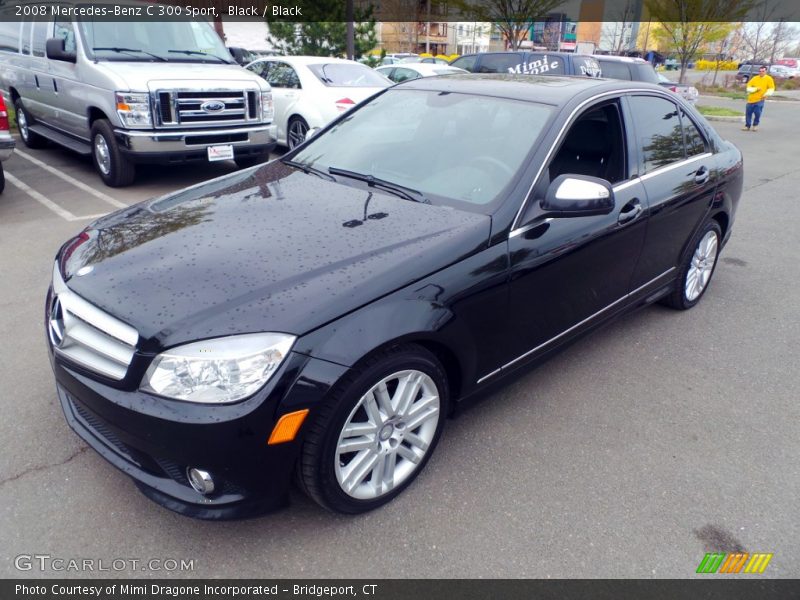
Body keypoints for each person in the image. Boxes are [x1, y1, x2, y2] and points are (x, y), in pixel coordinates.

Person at [742, 65, 775, 132]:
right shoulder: (755, 78)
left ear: (766, 71)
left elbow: (771, 88)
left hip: (760, 99)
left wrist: (766, 94)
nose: (761, 72)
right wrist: (755, 89)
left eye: (763, 71)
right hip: (751, 99)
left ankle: (755, 125)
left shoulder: (769, 79)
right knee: (748, 113)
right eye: (760, 71)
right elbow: (748, 87)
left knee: (757, 113)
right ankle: (747, 126)